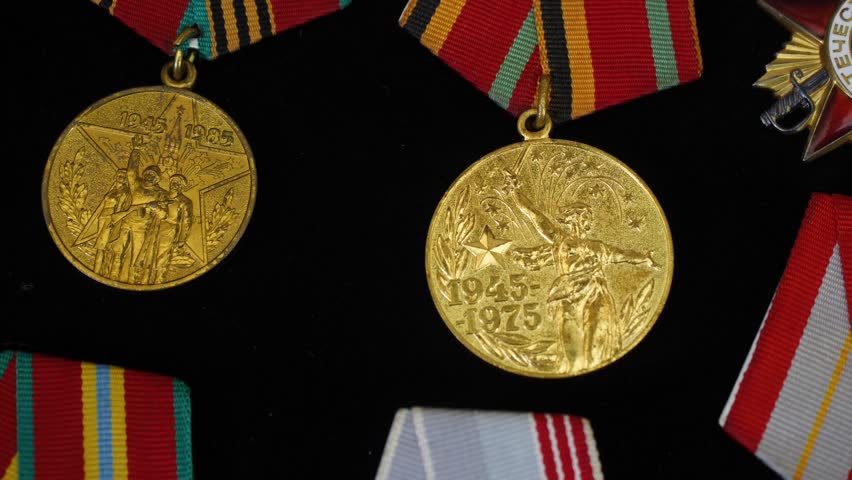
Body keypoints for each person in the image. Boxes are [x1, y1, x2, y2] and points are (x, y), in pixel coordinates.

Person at [510, 187, 656, 372]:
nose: (585, 219)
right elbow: (536, 217)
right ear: (573, 218)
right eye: (581, 215)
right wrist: (516, 193)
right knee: (573, 348)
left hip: (595, 292)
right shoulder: (560, 239)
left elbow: (622, 255)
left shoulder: (598, 247)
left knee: (596, 341)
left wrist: (645, 258)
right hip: (567, 292)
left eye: (586, 216)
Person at [107, 144, 169, 284]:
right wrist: (136, 150)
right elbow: (131, 172)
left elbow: (164, 215)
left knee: (137, 257)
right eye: (147, 173)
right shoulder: (136, 185)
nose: (149, 176)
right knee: (118, 252)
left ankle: (132, 282)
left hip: (142, 227)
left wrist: (155, 208)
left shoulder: (161, 194)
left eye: (153, 176)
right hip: (126, 222)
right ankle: (113, 276)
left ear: (158, 179)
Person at [151, 174, 193, 283]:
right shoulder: (162, 196)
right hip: (153, 229)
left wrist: (182, 239)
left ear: (181, 187)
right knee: (150, 256)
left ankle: (159, 281)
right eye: (174, 182)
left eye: (179, 184)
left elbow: (186, 222)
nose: (175, 185)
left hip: (170, 231)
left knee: (162, 259)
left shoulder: (185, 202)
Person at [92, 169, 131, 276]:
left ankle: (99, 273)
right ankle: (97, 272)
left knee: (103, 248)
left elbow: (119, 208)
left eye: (123, 176)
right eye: (119, 175)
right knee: (100, 247)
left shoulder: (124, 192)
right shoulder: (112, 191)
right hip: (102, 218)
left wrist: (114, 221)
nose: (120, 177)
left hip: (110, 219)